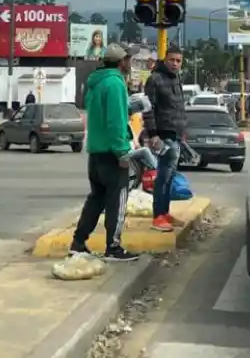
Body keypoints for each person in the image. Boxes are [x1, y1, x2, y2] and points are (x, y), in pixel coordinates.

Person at [68, 43, 139, 261]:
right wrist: (122, 153)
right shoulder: (115, 84)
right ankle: (114, 247)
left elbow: (102, 114)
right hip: (112, 152)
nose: (130, 63)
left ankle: (78, 242)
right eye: (129, 59)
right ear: (121, 62)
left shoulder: (95, 83)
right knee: (117, 200)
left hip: (96, 152)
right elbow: (115, 122)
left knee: (96, 199)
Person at [143, 45, 186, 232]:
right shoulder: (155, 79)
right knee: (163, 175)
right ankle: (158, 216)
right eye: (172, 60)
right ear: (165, 59)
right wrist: (153, 134)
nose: (175, 64)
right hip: (162, 134)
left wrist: (183, 130)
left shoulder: (176, 79)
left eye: (178, 61)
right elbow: (148, 109)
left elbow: (178, 108)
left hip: (176, 134)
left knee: (170, 176)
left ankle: (165, 212)